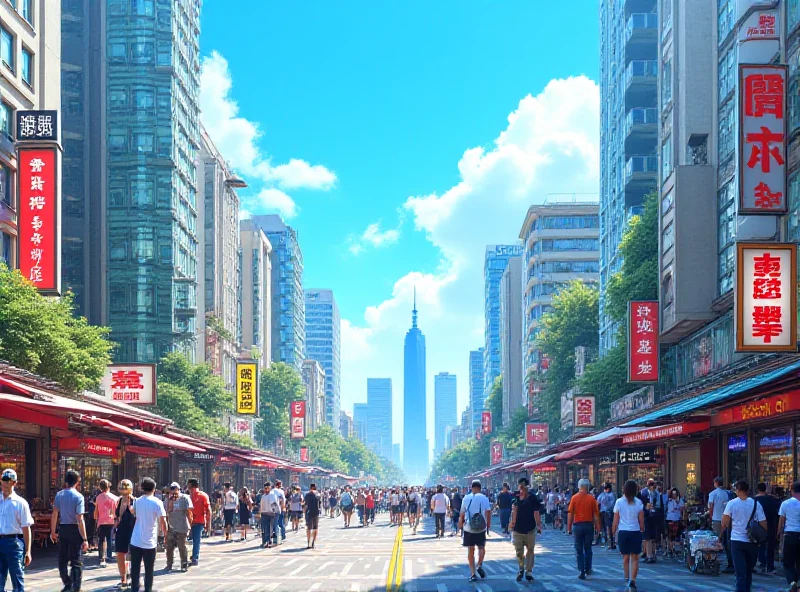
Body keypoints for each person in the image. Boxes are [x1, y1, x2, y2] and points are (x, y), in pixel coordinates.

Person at [722, 480, 766, 592]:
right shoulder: (756, 503)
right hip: (752, 542)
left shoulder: (732, 503)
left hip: (737, 541)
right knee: (748, 571)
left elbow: (725, 522)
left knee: (740, 573)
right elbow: (763, 523)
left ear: (738, 490)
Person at [51, 469, 89, 592]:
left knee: (62, 558)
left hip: (63, 528)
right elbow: (80, 519)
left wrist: (53, 531)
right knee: (76, 560)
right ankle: (76, 587)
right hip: (74, 529)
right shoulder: (79, 496)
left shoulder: (59, 495)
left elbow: (55, 513)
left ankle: (67, 582)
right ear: (77, 482)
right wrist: (85, 538)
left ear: (66, 481)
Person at [128, 478, 167, 592]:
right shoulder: (157, 502)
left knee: (135, 568)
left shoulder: (137, 501)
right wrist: (165, 536)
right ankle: (148, 589)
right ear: (154, 488)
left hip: (136, 540)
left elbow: (134, 512)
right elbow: (163, 522)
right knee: (149, 569)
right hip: (150, 541)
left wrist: (129, 504)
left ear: (142, 488)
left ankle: (134, 589)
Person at [0, 468, 33, 592]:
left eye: (9, 481)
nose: (6, 484)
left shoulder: (20, 503)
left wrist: (28, 551)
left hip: (14, 543)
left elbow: (26, 527)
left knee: (17, 579)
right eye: (4, 480)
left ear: (14, 483)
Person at [613, 479, 645, 591]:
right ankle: (633, 580)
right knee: (635, 557)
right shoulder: (639, 503)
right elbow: (641, 519)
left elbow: (616, 519)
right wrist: (642, 528)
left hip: (623, 532)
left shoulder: (619, 502)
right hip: (635, 532)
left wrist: (613, 531)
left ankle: (626, 577)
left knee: (625, 557)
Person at [509, 477, 542, 583]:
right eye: (521, 486)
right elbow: (514, 510)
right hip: (520, 529)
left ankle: (527, 571)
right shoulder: (516, 496)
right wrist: (512, 524)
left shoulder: (532, 497)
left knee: (528, 551)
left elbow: (536, 512)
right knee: (522, 551)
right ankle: (522, 569)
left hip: (528, 529)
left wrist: (538, 524)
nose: (522, 488)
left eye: (523, 486)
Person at [458, 480, 492, 583]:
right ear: (480, 488)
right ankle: (479, 564)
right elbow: (488, 512)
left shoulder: (466, 498)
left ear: (471, 488)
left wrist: (460, 526)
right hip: (481, 527)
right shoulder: (484, 498)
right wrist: (488, 524)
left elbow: (462, 514)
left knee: (470, 550)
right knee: (481, 548)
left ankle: (472, 574)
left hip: (469, 527)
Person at [567, 478, 600, 581]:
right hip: (588, 525)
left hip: (577, 525)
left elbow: (570, 513)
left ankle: (581, 570)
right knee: (588, 548)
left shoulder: (574, 498)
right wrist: (598, 528)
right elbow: (596, 515)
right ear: (587, 487)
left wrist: (568, 528)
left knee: (579, 549)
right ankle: (588, 568)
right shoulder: (591, 499)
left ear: (579, 486)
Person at [164, 482, 193, 572]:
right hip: (171, 526)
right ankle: (169, 564)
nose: (173, 490)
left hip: (182, 525)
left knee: (182, 546)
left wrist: (190, 525)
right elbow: (165, 512)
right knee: (169, 547)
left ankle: (184, 564)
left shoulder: (184, 498)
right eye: (171, 489)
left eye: (174, 488)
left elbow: (189, 512)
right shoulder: (168, 499)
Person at [113, 479, 136, 589]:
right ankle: (123, 578)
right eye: (122, 487)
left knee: (134, 554)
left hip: (133, 530)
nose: (124, 490)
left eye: (126, 487)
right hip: (121, 530)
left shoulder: (135, 501)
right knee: (120, 553)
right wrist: (116, 521)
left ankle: (134, 576)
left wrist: (132, 510)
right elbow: (115, 516)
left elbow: (137, 515)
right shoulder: (118, 501)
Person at [709, 476, 734, 573]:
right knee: (726, 541)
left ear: (716, 483)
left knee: (716, 540)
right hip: (727, 519)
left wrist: (710, 516)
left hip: (717, 518)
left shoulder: (713, 494)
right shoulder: (728, 493)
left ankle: (714, 561)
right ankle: (729, 561)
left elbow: (711, 507)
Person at [778, 480, 800, 591]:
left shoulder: (786, 503)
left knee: (788, 561)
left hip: (790, 534)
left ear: (792, 491)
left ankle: (792, 582)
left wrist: (779, 534)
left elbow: (781, 520)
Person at [755, 482, 779, 574]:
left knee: (759, 544)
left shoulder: (753, 500)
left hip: (758, 525)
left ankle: (761, 562)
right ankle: (770, 565)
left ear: (757, 489)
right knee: (770, 546)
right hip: (771, 525)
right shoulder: (772, 499)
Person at [638, 479, 665, 563]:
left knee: (652, 538)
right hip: (647, 517)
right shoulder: (644, 494)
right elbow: (640, 506)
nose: (652, 487)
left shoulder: (658, 495)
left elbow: (661, 508)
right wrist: (646, 509)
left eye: (653, 486)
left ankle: (652, 555)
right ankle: (649, 555)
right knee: (648, 537)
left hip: (655, 517)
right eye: (650, 486)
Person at [93, 479, 118, 568]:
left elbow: (96, 510)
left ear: (100, 487)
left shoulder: (98, 497)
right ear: (109, 486)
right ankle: (109, 555)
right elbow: (116, 510)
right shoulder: (114, 498)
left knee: (101, 539)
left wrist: (95, 517)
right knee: (109, 538)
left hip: (101, 521)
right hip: (111, 520)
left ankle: (101, 557)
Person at [187, 478, 211, 567]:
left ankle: (194, 557)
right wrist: (208, 523)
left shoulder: (198, 496)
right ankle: (193, 556)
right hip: (196, 521)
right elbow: (208, 510)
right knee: (195, 540)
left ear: (190, 485)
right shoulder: (202, 495)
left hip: (194, 521)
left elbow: (208, 510)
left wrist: (208, 524)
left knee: (195, 540)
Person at [259, 482, 279, 549]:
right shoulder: (263, 496)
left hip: (271, 513)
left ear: (270, 488)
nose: (266, 489)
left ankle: (269, 541)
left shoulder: (272, 495)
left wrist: (274, 512)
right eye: (265, 488)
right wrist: (260, 512)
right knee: (264, 528)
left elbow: (274, 504)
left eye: (267, 488)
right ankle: (265, 541)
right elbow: (261, 505)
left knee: (270, 528)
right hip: (264, 513)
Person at [665, 487, 684, 556]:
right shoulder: (669, 500)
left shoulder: (680, 500)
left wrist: (678, 502)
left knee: (675, 535)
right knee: (670, 535)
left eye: (675, 494)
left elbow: (682, 508)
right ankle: (670, 549)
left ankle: (674, 548)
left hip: (677, 518)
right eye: (673, 494)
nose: (674, 495)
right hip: (669, 518)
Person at [597, 483, 616, 549]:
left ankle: (611, 543)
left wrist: (606, 504)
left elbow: (612, 504)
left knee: (609, 527)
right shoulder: (602, 494)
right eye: (604, 488)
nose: (605, 490)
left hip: (608, 513)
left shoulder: (612, 495)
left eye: (606, 488)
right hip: (602, 512)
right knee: (603, 527)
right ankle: (604, 541)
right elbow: (598, 500)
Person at [304, 484, 321, 549]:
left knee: (308, 528)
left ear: (310, 488)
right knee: (315, 528)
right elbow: (319, 504)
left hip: (309, 513)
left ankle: (309, 543)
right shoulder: (318, 494)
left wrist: (304, 514)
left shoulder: (307, 495)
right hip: (316, 513)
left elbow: (305, 505)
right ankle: (313, 542)